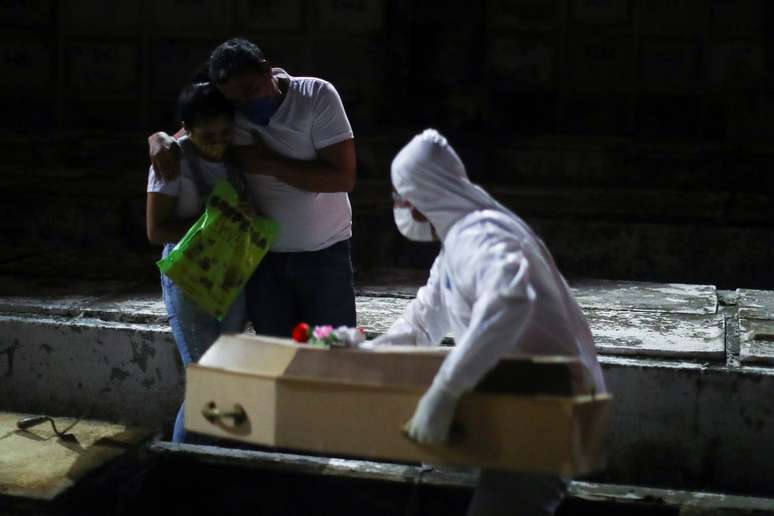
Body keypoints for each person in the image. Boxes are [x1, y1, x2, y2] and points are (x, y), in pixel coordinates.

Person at [368, 129, 607, 516]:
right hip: (521, 405)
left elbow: (509, 300)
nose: (398, 207)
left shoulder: (480, 235)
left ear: (418, 200)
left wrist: (445, 392)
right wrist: (361, 354)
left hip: (546, 410)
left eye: (399, 197)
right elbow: (421, 323)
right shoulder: (455, 248)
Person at [148, 38, 357, 337]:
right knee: (276, 357)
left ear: (265, 69)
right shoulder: (233, 113)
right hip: (261, 262)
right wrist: (157, 139)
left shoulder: (315, 95)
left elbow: (343, 178)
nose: (246, 105)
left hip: (323, 255)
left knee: (333, 356)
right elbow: (189, 133)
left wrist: (267, 164)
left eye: (251, 91)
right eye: (236, 102)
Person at [146, 80, 248, 442]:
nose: (218, 142)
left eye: (225, 133)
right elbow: (156, 230)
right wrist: (214, 224)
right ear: (186, 130)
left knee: (224, 376)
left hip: (232, 276)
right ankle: (183, 466)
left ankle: (210, 460)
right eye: (208, 135)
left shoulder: (235, 152)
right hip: (189, 279)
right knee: (207, 379)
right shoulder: (173, 161)